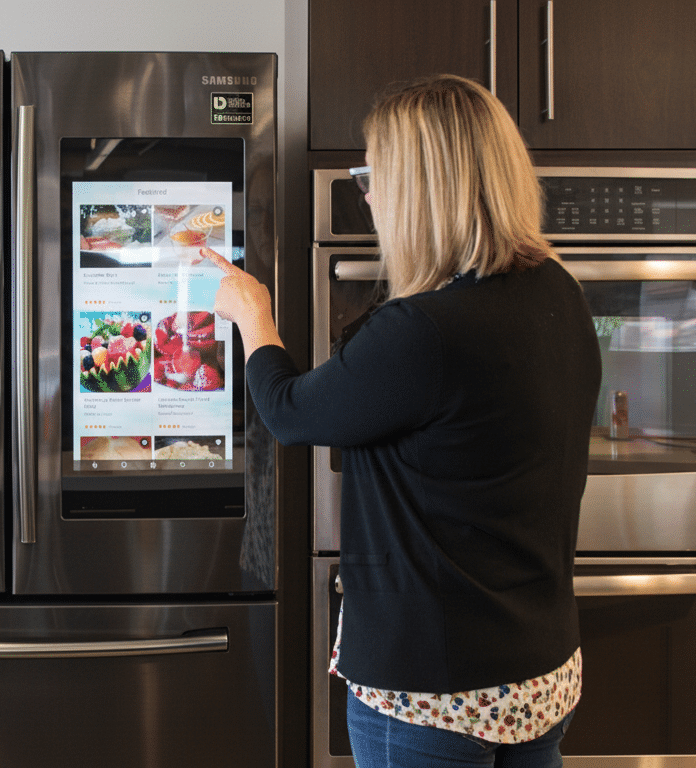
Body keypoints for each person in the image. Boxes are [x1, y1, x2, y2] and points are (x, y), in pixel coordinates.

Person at [205, 74, 603, 768]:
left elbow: (291, 412)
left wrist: (252, 315)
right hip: (538, 672)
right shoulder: (559, 294)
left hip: (433, 690)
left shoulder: (423, 331)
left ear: (422, 186)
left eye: (372, 172)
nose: (367, 192)